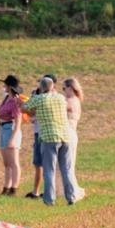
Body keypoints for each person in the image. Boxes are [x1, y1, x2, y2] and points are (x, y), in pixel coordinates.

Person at [22, 77, 79, 206]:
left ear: (41, 88)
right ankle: (71, 197)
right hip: (65, 136)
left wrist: (21, 101)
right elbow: (67, 107)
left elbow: (24, 108)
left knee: (49, 170)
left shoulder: (38, 99)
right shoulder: (60, 98)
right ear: (53, 86)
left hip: (49, 138)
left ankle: (49, 199)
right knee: (66, 169)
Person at [24, 71, 56, 199]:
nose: (40, 86)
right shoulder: (36, 95)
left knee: (45, 164)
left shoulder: (54, 97)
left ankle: (47, 192)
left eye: (43, 84)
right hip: (38, 132)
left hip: (45, 133)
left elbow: (29, 110)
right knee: (38, 163)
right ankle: (37, 191)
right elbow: (31, 113)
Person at [0, 74, 25, 196]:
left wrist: (13, 137)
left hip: (10, 128)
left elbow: (18, 119)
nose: (4, 86)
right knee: (7, 162)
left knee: (14, 161)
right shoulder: (6, 98)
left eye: (5, 85)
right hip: (3, 128)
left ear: (9, 86)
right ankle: (6, 187)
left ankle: (14, 188)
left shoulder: (14, 101)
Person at [58, 75, 85, 201]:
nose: (63, 91)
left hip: (68, 133)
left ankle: (73, 192)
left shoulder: (71, 101)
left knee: (67, 165)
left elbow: (61, 108)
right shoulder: (76, 100)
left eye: (64, 88)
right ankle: (67, 190)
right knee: (67, 165)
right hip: (71, 133)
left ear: (70, 88)